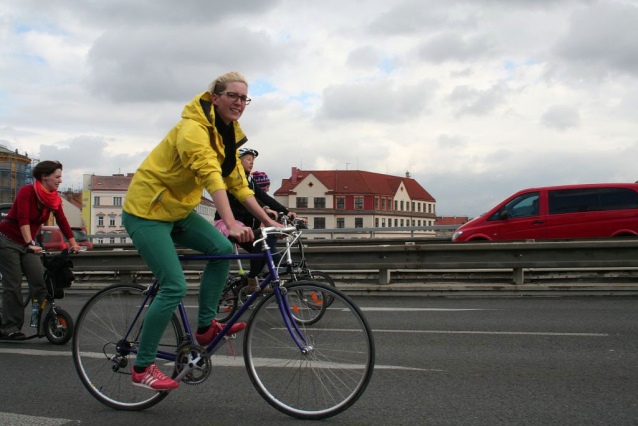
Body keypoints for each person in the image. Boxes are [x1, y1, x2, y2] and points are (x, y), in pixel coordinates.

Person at [122, 71, 281, 391]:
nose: (239, 103)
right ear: (215, 98)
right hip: (146, 213)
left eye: (244, 98)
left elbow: (237, 183)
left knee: (221, 250)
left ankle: (206, 327)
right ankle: (143, 367)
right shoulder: (192, 129)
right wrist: (232, 223)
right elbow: (211, 175)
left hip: (178, 212)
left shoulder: (228, 135)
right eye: (233, 96)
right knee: (173, 286)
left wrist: (269, 221)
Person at [0, 161, 82, 340]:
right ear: (45, 176)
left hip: (28, 244)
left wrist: (73, 243)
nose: (60, 181)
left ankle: (43, 324)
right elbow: (23, 219)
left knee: (40, 284)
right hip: (8, 241)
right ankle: (9, 327)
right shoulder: (26, 192)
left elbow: (62, 220)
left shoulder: (53, 198)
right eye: (57, 177)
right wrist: (30, 242)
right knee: (13, 285)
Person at [214, 148, 297, 294]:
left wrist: (285, 210)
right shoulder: (231, 179)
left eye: (253, 160)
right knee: (262, 245)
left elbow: (264, 197)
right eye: (248, 159)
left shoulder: (250, 179)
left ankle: (249, 282)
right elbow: (246, 199)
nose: (251, 162)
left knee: (267, 249)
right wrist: (264, 209)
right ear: (238, 161)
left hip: (243, 225)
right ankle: (253, 279)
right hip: (227, 224)